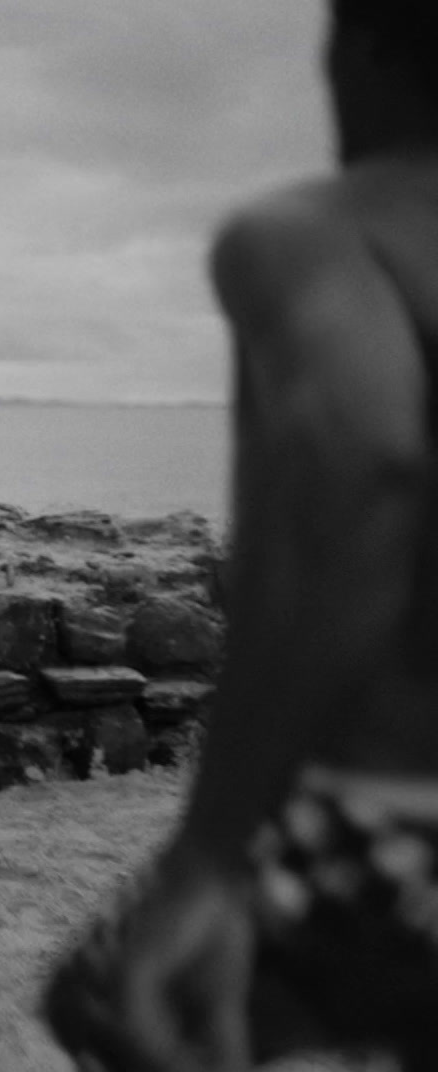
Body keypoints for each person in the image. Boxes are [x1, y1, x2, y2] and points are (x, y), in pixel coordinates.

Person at [43, 2, 438, 1069]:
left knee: (106, 999)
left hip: (394, 823)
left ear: (360, 51)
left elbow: (360, 463)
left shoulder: (321, 235)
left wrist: (211, 854)